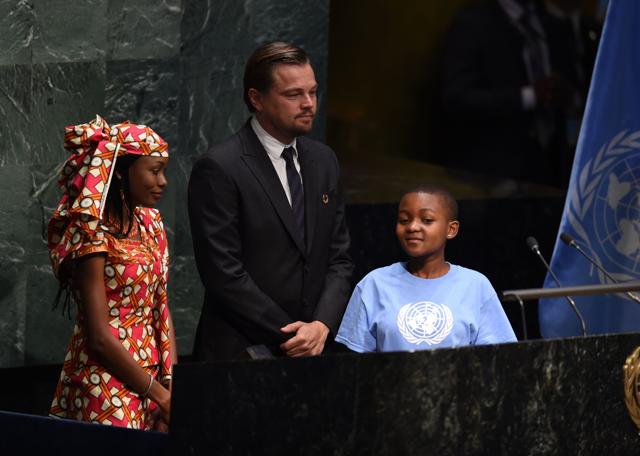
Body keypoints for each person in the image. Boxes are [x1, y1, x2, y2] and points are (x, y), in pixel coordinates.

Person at [188, 41, 353, 361]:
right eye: (294, 94)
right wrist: (294, 333)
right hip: (242, 351)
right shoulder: (221, 167)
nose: (309, 104)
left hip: (314, 350)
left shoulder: (324, 160)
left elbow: (339, 258)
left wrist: (321, 325)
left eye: (313, 92)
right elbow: (223, 273)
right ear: (256, 99)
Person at [47, 115, 177, 431]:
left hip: (155, 381)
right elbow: (99, 338)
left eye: (164, 172)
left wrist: (171, 385)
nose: (163, 182)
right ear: (121, 172)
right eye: (154, 171)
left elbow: (161, 306)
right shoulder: (93, 230)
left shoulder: (151, 223)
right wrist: (160, 394)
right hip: (104, 381)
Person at [335, 185, 517, 352]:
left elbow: (498, 360)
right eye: (404, 220)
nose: (413, 227)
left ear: (451, 229)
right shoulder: (374, 284)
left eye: (427, 220)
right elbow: (355, 367)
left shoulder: (476, 285)